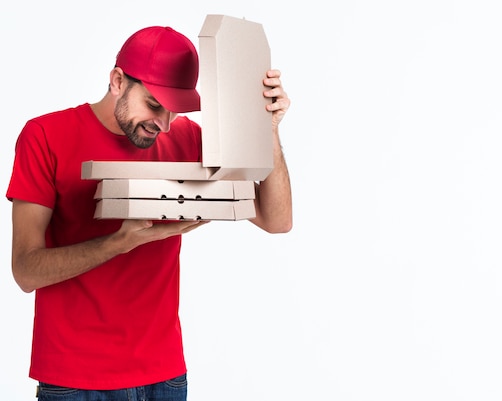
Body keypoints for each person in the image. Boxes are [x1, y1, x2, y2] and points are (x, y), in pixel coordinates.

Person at [6, 24, 292, 401]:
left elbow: (277, 220)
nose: (164, 123)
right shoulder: (45, 137)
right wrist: (117, 243)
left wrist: (267, 130)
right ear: (117, 81)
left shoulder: (186, 138)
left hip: (165, 377)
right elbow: (25, 271)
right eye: (155, 105)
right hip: (75, 381)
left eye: (175, 111)